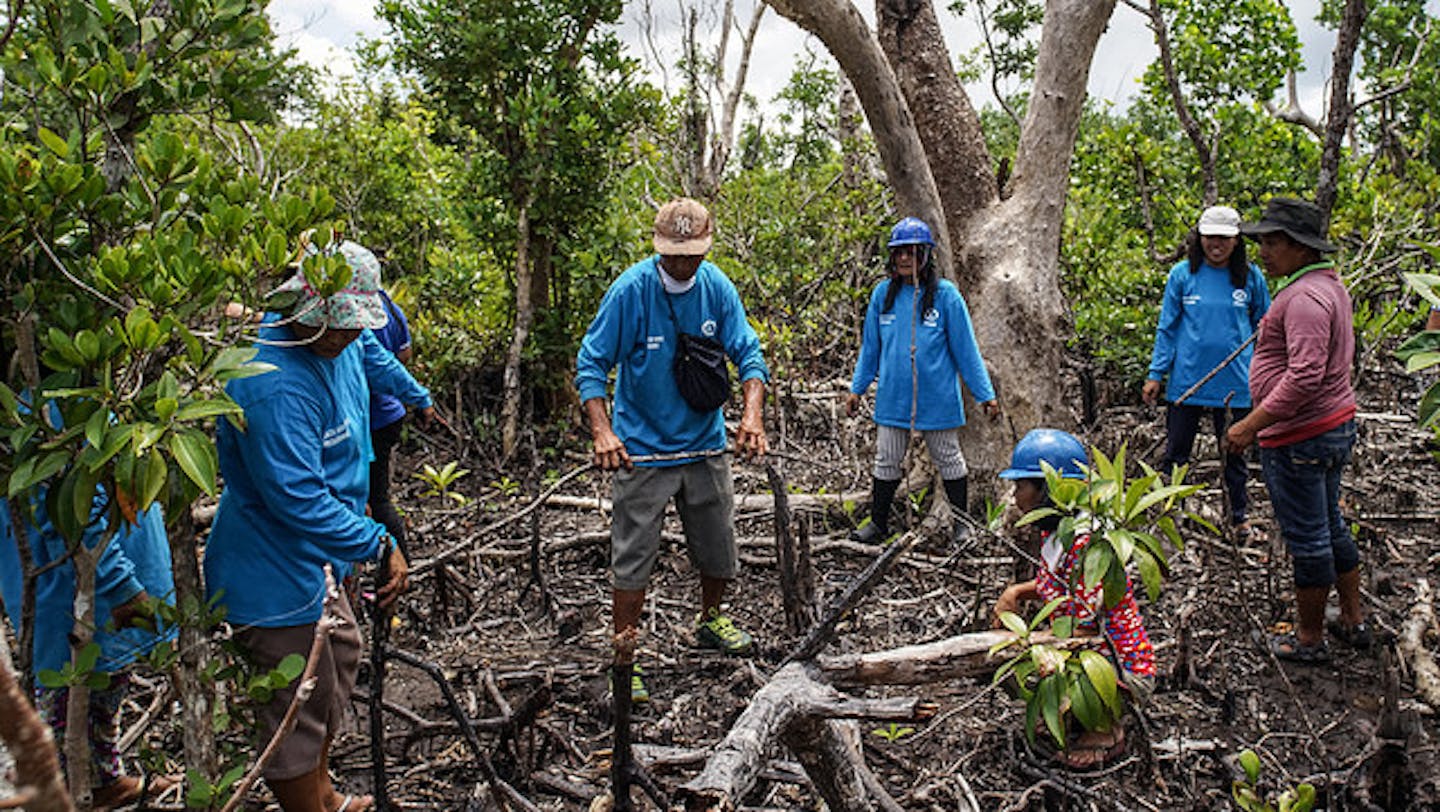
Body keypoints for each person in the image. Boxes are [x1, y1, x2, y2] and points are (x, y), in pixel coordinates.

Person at [205, 237, 431, 812]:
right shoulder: (271, 381)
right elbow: (296, 497)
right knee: (294, 708)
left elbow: (372, 357)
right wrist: (379, 543)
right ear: (305, 309)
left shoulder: (338, 340)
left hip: (322, 555)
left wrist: (415, 395)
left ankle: (324, 795)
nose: (350, 336)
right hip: (272, 566)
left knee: (338, 664)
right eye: (341, 326)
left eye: (356, 325)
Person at [575, 197, 769, 702]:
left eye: (692, 253)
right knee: (632, 555)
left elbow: (748, 351)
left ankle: (710, 621)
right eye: (673, 253)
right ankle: (625, 655)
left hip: (704, 444)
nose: (683, 262)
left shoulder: (716, 288)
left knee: (717, 542)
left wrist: (752, 414)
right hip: (642, 450)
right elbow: (592, 362)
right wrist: (602, 430)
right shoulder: (630, 292)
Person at [1225, 198, 1364, 664]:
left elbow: (1304, 376)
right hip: (1327, 427)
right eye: (1262, 241)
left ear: (1302, 248)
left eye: (1274, 241)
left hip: (1303, 433)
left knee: (1309, 537)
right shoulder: (1327, 287)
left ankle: (1308, 639)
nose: (1264, 251)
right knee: (1329, 524)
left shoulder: (1304, 297)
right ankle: (1351, 618)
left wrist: (1250, 424)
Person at [991, 429, 1156, 770]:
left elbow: (1082, 630)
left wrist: (1025, 643)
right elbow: (1057, 587)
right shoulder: (1059, 534)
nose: (1016, 494)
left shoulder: (1087, 544)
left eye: (1022, 486)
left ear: (1048, 491)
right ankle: (1074, 715)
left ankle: (1105, 729)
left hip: (1123, 670)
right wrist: (1016, 592)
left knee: (1026, 659)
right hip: (1093, 653)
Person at [1, 495, 176, 810]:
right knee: (69, 699)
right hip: (75, 586)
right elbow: (59, 507)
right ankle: (73, 792)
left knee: (103, 683)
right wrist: (120, 584)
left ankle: (104, 782)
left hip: (108, 568)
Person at [845, 217, 999, 545]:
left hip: (937, 398)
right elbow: (870, 349)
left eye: (913, 253)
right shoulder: (882, 295)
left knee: (948, 457)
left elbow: (966, 351)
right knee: (887, 458)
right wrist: (856, 389)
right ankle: (878, 524)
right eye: (899, 252)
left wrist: (985, 394)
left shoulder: (946, 297)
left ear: (926, 255)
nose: (905, 259)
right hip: (893, 397)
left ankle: (962, 525)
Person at [1142, 206, 1271, 535]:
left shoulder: (1251, 277)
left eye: (1224, 238)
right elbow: (1167, 328)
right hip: (1187, 382)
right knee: (1177, 453)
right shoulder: (1182, 275)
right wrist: (1157, 373)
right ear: (1199, 238)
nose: (1217, 244)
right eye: (1211, 237)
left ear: (1236, 240)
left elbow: (1265, 327)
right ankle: (1173, 515)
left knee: (1234, 456)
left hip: (1236, 384)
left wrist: (1266, 377)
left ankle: (1238, 518)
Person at [368, 288, 418, 556]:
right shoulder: (389, 306)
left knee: (375, 502)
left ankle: (398, 567)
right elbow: (404, 354)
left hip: (373, 418)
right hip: (389, 413)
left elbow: (377, 362)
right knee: (376, 499)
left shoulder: (355, 315)